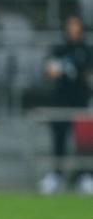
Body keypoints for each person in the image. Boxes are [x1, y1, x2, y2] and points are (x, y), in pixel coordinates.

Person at [40, 15, 93, 194]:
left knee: (84, 141)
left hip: (81, 100)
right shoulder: (59, 49)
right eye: (70, 24)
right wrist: (52, 71)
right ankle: (57, 175)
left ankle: (84, 176)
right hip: (61, 99)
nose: (73, 28)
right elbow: (49, 71)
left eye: (76, 25)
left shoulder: (86, 50)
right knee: (59, 139)